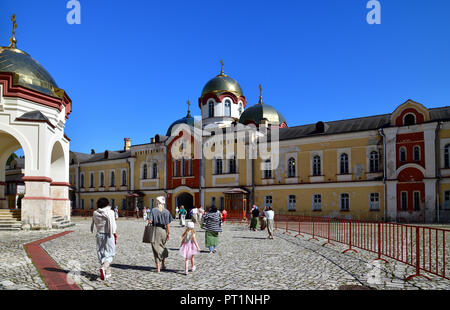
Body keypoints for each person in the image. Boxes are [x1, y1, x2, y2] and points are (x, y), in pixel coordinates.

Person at [90, 197, 117, 281]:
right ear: (107, 204)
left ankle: (107, 272)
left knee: (101, 253)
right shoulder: (110, 212)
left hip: (99, 234)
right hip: (108, 234)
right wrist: (114, 233)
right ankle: (104, 267)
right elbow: (113, 225)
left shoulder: (95, 213)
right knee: (110, 253)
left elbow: (95, 223)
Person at [147, 196, 173, 272]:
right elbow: (168, 224)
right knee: (162, 247)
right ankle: (163, 265)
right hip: (163, 231)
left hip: (155, 230)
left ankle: (158, 267)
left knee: (155, 248)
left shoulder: (154, 210)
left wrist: (149, 221)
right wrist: (169, 233)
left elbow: (150, 221)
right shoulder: (166, 211)